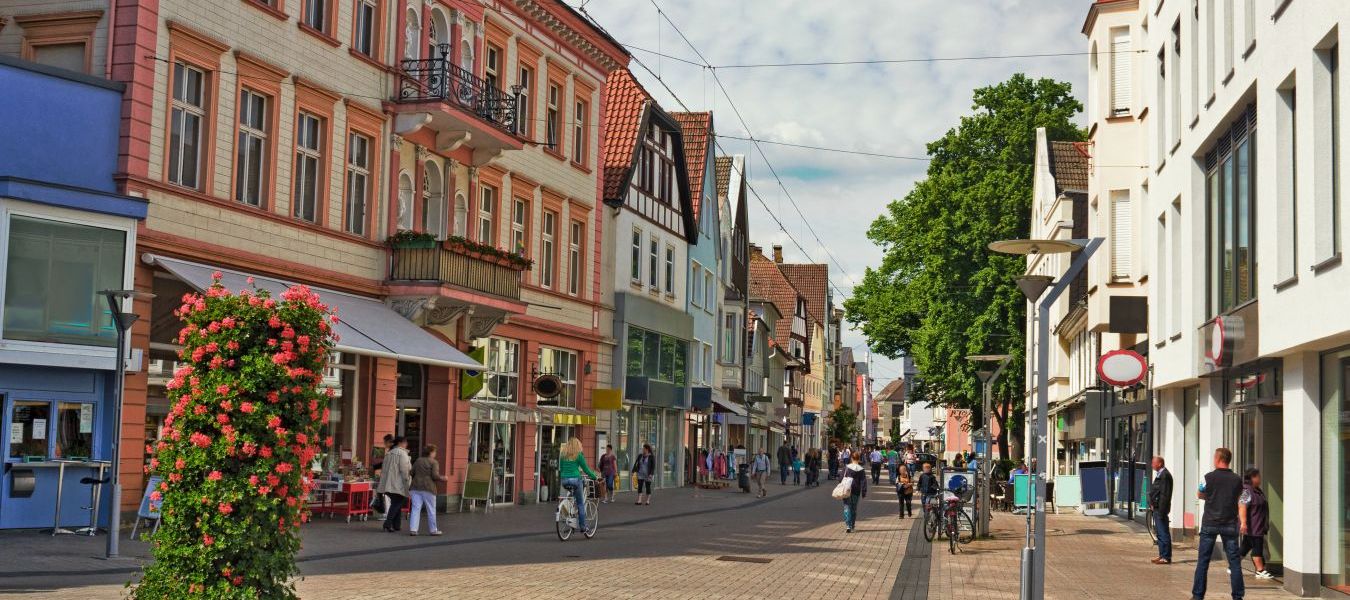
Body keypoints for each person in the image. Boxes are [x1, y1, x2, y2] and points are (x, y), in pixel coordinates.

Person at [1192, 447, 1245, 600]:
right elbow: (1241, 499)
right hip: (1229, 522)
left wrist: (1210, 497)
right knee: (1234, 562)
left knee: (1203, 561)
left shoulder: (1207, 477)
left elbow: (1200, 494)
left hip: (1209, 522)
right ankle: (1238, 596)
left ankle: (1197, 595)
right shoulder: (1237, 480)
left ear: (1218, 459)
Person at [1238, 468, 1274, 580]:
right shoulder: (1247, 491)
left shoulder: (1256, 490)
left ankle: (1232, 565)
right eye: (1258, 476)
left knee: (1245, 548)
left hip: (1257, 525)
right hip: (1253, 526)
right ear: (1253, 477)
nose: (1260, 478)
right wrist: (1243, 523)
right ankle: (1260, 570)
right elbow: (1242, 506)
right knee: (1257, 548)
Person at [558, 437, 598, 530]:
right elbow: (586, 469)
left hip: (564, 480)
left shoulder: (563, 455)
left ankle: (569, 514)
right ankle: (583, 526)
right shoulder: (578, 455)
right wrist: (594, 477)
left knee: (570, 497)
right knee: (580, 503)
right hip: (575, 480)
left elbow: (561, 468)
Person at [408, 444, 446, 536]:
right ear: (431, 452)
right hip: (428, 488)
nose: (435, 453)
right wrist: (443, 478)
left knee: (415, 509)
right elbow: (434, 476)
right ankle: (433, 530)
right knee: (431, 509)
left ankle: (413, 529)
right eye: (435, 452)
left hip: (415, 487)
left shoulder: (418, 460)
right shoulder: (434, 462)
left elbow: (411, 472)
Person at [377, 436, 412, 532]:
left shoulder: (388, 454)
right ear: (401, 443)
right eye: (405, 442)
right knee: (397, 503)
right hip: (398, 484)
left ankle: (397, 525)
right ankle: (387, 524)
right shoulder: (403, 454)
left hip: (388, 484)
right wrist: (408, 483)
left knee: (396, 503)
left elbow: (383, 469)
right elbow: (405, 471)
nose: (406, 445)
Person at [1149, 456, 1174, 564]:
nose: (1152, 465)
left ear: (1160, 463)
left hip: (1161, 510)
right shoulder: (1160, 475)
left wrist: (1162, 510)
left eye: (1154, 463)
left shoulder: (1165, 476)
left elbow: (1165, 495)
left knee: (1163, 533)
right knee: (1159, 533)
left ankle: (1166, 557)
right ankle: (1161, 555)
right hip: (1156, 508)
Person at [841, 452, 868, 533]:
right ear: (859, 458)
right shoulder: (861, 469)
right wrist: (864, 491)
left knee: (847, 506)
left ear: (851, 458)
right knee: (854, 508)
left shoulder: (846, 467)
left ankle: (848, 525)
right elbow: (863, 481)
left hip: (846, 489)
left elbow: (841, 477)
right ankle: (852, 525)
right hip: (856, 490)